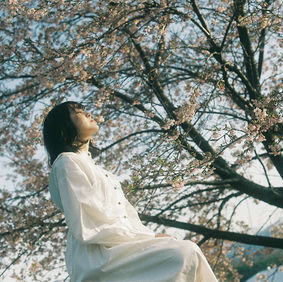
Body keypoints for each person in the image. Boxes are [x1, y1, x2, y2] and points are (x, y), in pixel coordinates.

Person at [43, 101, 217, 282]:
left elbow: (128, 215)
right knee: (185, 253)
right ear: (63, 129)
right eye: (77, 112)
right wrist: (150, 237)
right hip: (100, 256)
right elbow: (87, 222)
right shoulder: (66, 162)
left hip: (122, 245)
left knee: (187, 251)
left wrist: (151, 237)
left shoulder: (100, 171)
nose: (88, 114)